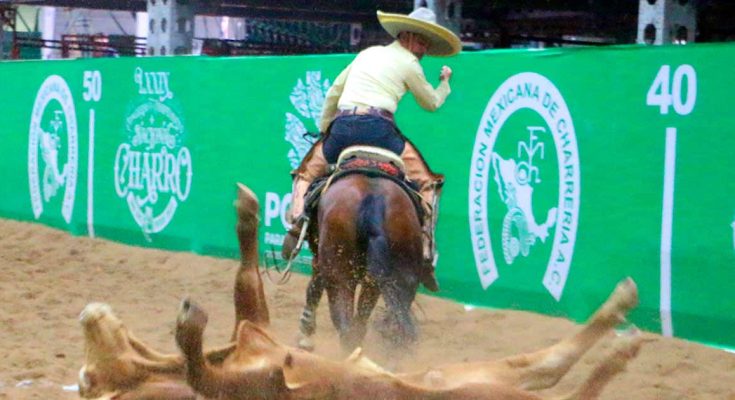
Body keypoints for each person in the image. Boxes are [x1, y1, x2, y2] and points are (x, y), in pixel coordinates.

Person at [283, 7, 461, 292]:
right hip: (379, 131)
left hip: (342, 127)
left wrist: (327, 129)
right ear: (409, 36)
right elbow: (431, 103)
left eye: (427, 43)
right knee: (428, 182)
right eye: (423, 41)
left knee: (305, 173)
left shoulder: (366, 54)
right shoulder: (410, 65)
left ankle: (296, 222)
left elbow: (333, 94)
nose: (425, 48)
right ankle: (426, 254)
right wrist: (444, 83)